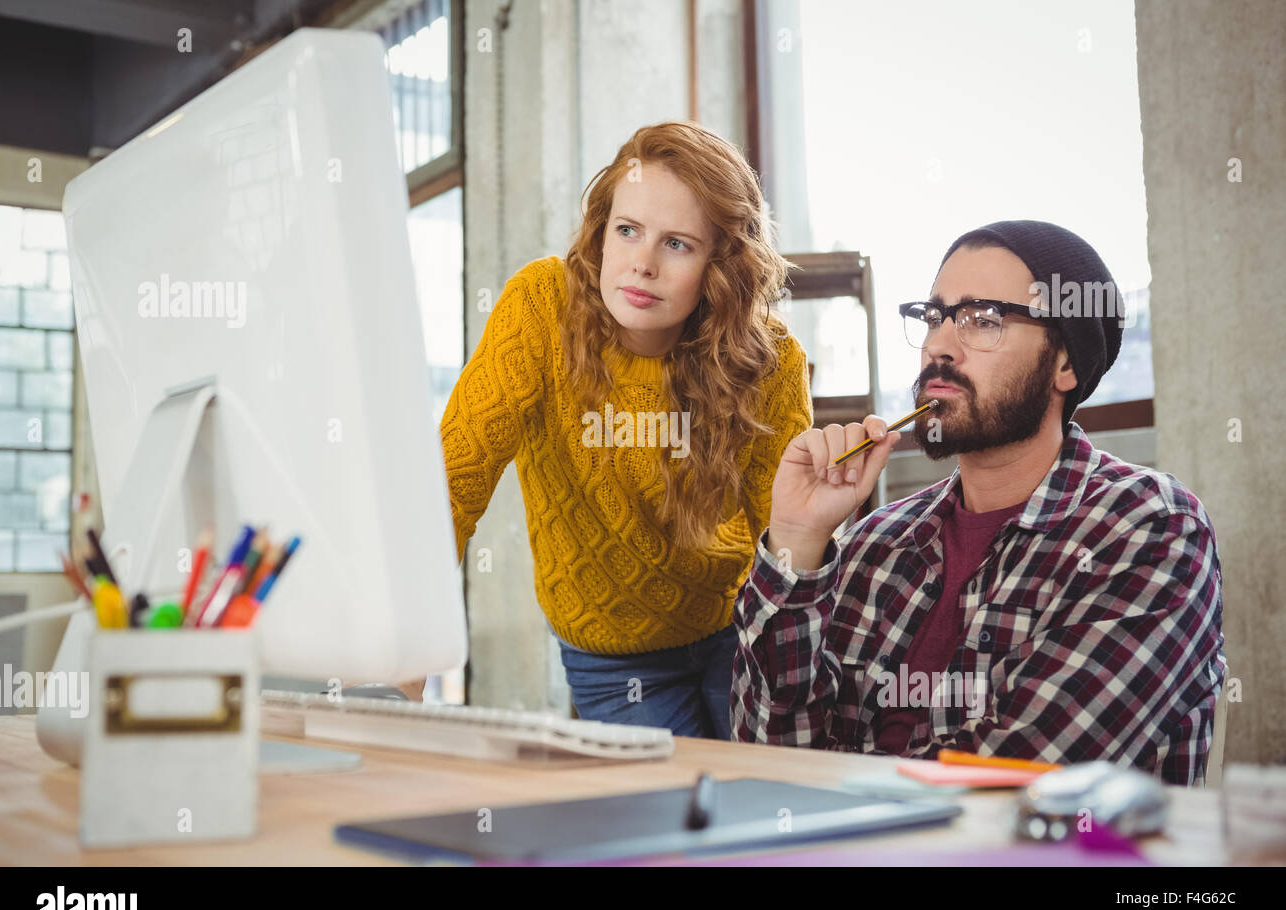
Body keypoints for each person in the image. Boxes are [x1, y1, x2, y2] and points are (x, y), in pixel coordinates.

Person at [732, 219, 1226, 784]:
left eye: (983, 320)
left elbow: (1017, 774)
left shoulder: (1150, 530)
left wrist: (830, 784)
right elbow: (764, 757)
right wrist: (796, 539)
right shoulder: (871, 544)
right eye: (934, 317)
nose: (939, 345)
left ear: (1065, 363)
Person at [437, 121, 813, 738]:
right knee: (671, 820)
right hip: (613, 655)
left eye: (678, 244)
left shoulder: (767, 356)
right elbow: (456, 477)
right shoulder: (541, 309)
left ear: (721, 265)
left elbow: (786, 534)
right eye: (628, 230)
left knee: (757, 802)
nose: (641, 264)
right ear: (601, 232)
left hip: (736, 629)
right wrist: (406, 636)